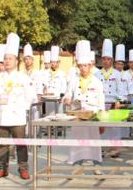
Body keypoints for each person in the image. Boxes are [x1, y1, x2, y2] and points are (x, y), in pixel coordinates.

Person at [0, 33, 35, 180]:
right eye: (5, 59)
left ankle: (23, 168)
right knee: (2, 145)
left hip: (17, 116)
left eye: (10, 59)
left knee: (20, 144)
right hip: (1, 116)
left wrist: (22, 108)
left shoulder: (23, 78)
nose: (7, 61)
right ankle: (2, 169)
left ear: (16, 61)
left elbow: (30, 97)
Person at [63, 40, 106, 173]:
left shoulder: (97, 82)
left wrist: (102, 120)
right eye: (80, 66)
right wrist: (67, 99)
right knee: (77, 140)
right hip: (77, 114)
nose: (83, 68)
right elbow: (67, 94)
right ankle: (77, 165)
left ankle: (96, 165)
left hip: (92, 115)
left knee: (94, 141)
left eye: (86, 66)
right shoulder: (74, 81)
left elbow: (101, 102)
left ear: (90, 65)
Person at [44, 45, 67, 115]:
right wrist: (44, 90)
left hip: (58, 101)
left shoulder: (62, 74)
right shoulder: (45, 73)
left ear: (58, 63)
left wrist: (61, 96)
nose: (53, 64)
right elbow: (43, 85)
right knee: (49, 118)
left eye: (55, 62)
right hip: (48, 100)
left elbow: (64, 87)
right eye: (52, 62)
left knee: (59, 118)